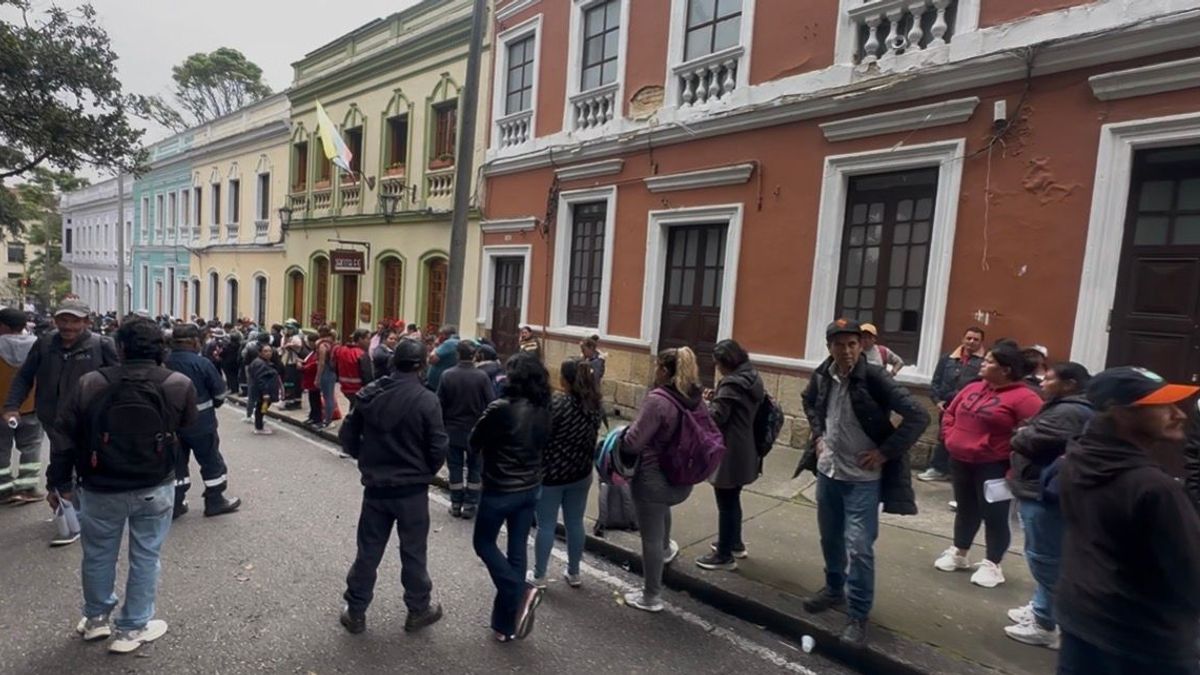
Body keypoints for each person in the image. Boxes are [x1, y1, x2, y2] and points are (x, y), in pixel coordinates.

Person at [54, 316, 198, 654]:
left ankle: (96, 620)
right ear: (161, 348)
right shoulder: (178, 383)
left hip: (100, 483)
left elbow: (65, 437)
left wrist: (58, 481)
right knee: (146, 555)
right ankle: (132, 628)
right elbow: (188, 425)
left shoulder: (91, 383)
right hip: (154, 483)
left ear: (119, 348)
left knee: (98, 554)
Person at [1056, 367, 1200, 674]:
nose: (1179, 414)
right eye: (1162, 407)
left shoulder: (1077, 456)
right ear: (1119, 412)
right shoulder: (1155, 489)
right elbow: (1191, 573)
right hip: (1144, 641)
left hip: (1082, 617)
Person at [796, 319, 928, 646]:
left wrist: (885, 452)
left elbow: (919, 416)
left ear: (861, 345)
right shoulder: (823, 374)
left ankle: (857, 615)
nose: (846, 351)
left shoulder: (875, 376)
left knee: (859, 548)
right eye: (839, 345)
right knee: (830, 539)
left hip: (863, 481)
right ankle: (833, 589)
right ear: (830, 348)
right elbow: (808, 400)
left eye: (852, 344)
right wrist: (818, 434)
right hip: (829, 473)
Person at [338, 339, 448, 635]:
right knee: (413, 552)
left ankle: (357, 610)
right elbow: (438, 446)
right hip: (411, 490)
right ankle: (418, 608)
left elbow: (347, 436)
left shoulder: (371, 395)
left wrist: (368, 459)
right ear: (422, 365)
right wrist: (424, 470)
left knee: (368, 551)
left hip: (377, 487)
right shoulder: (427, 400)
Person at [935, 343, 1042, 588]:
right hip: (961, 459)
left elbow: (1035, 432)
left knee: (994, 515)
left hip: (993, 465)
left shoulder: (1025, 398)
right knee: (965, 508)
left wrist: (1011, 456)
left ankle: (992, 564)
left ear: (1005, 370)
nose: (983, 363)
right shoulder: (972, 387)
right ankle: (960, 552)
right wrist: (950, 436)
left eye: (989, 361)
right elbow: (951, 413)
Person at [1004, 362, 1093, 648]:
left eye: (1050, 378)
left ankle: (1046, 624)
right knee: (1046, 555)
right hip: (1037, 488)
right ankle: (1042, 608)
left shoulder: (1070, 411)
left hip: (1044, 493)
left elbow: (1031, 440)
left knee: (1045, 558)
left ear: (1069, 384)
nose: (1042, 382)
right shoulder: (1062, 406)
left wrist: (1022, 432)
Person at [469, 352, 551, 642]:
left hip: (499, 488)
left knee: (483, 543)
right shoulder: (544, 408)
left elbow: (474, 441)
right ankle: (505, 625)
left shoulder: (499, 408)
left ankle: (520, 592)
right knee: (517, 551)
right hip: (530, 488)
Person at [3, 300, 118, 493]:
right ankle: (67, 505)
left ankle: (80, 502)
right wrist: (12, 406)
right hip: (53, 418)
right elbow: (24, 376)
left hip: (89, 419)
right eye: (62, 320)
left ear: (86, 322)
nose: (67, 326)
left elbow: (118, 382)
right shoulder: (45, 343)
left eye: (74, 321)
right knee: (62, 460)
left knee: (84, 461)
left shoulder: (102, 345)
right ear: (55, 321)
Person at [620, 347, 704, 614]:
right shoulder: (695, 398)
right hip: (682, 480)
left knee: (650, 539)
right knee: (662, 513)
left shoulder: (658, 401)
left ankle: (651, 596)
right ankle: (667, 549)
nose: (654, 370)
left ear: (665, 371)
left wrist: (621, 435)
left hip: (652, 479)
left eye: (658, 366)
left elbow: (634, 443)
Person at [531, 358, 604, 588]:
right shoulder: (596, 406)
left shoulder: (557, 404)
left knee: (546, 525)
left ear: (565, 380)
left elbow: (540, 436)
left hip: (552, 474)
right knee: (575, 522)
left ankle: (540, 575)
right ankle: (574, 572)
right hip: (581, 473)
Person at [696, 339, 764, 571]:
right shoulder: (751, 377)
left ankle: (724, 555)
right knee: (733, 498)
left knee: (726, 501)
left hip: (730, 450)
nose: (717, 368)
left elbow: (716, 418)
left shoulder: (733, 383)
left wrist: (705, 403)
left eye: (717, 364)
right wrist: (719, 396)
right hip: (745, 447)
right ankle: (734, 543)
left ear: (727, 362)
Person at [165, 325, 241, 519]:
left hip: (171, 426)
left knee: (176, 464)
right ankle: (215, 501)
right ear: (194, 341)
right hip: (201, 424)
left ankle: (175, 504)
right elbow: (219, 392)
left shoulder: (163, 362)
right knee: (210, 461)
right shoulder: (202, 363)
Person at [919, 326, 986, 482]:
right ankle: (938, 468)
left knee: (963, 439)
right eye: (969, 338)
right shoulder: (948, 359)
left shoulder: (984, 362)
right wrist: (937, 400)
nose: (971, 342)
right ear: (963, 339)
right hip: (947, 406)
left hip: (968, 408)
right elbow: (936, 382)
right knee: (944, 437)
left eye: (976, 339)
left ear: (981, 342)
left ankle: (955, 473)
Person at [437, 340, 494, 518]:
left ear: (457, 354)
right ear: (475, 355)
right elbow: (491, 403)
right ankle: (470, 504)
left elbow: (439, 404)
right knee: (475, 468)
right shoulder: (482, 377)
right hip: (476, 431)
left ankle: (455, 503)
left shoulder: (447, 375)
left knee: (455, 467)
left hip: (452, 429)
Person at [0, 307, 42, 507]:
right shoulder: (38, 345)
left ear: (3, 326)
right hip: (31, 407)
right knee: (31, 447)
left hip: (3, 411)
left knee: (1, 450)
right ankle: (27, 488)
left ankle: (3, 489)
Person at [247, 345, 280, 435]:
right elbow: (260, 379)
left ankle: (259, 425)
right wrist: (265, 393)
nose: (268, 353)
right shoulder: (259, 363)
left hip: (264, 391)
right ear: (260, 352)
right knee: (261, 409)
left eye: (269, 351)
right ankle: (259, 427)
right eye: (265, 351)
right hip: (263, 392)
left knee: (261, 409)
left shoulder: (263, 362)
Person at [315, 326, 338, 426]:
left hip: (326, 371)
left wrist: (317, 378)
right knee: (329, 396)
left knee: (327, 397)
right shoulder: (332, 343)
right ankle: (328, 419)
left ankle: (328, 420)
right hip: (332, 372)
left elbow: (322, 363)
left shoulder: (322, 345)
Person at [426, 325, 460, 392]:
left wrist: (435, 347)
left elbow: (432, 360)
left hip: (437, 385)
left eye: (440, 334)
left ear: (444, 335)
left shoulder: (449, 343)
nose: (438, 337)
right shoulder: (456, 342)